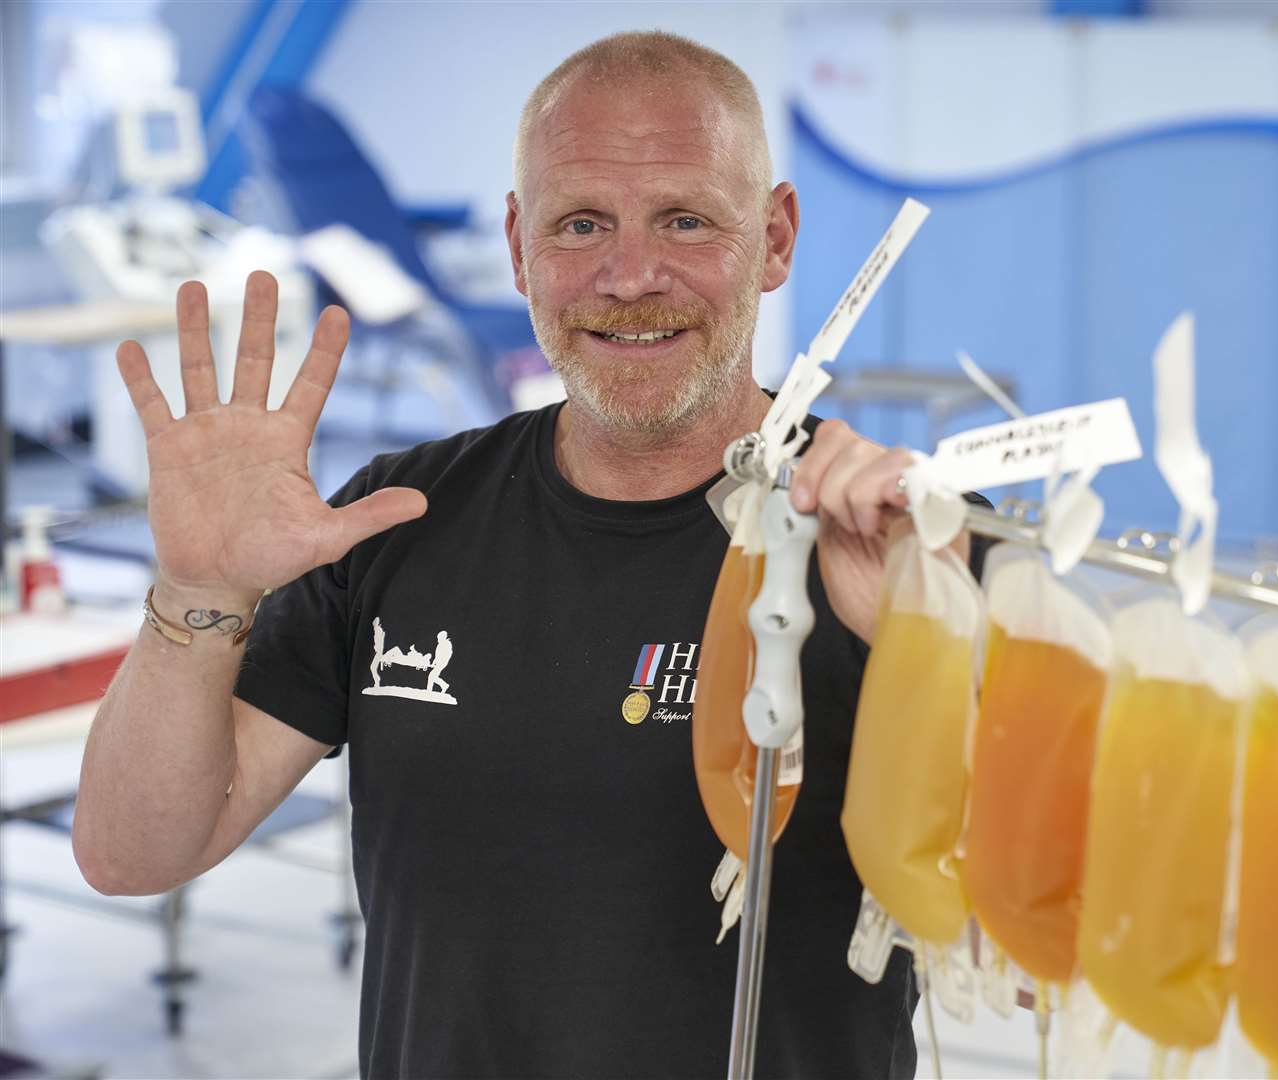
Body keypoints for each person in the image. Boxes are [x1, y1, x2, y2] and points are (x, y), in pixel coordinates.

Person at [72, 30, 954, 1079]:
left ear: (774, 238)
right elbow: (134, 853)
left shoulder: (899, 545)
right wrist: (198, 592)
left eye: (684, 219)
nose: (631, 276)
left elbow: (1049, 921)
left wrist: (918, 644)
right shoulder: (395, 520)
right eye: (582, 224)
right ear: (518, 244)